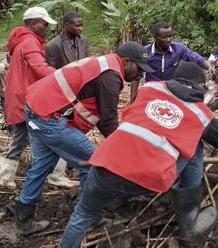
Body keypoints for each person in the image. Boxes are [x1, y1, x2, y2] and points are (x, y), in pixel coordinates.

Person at [60, 62, 218, 248]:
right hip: (148, 180)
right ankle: (188, 224)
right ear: (201, 86)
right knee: (195, 147)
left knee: (83, 214)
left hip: (105, 165)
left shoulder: (150, 88)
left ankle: (110, 201)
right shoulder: (201, 114)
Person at [13, 41, 154, 235]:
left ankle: (24, 216)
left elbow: (95, 111)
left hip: (37, 108)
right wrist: (126, 151)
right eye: (138, 68)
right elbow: (107, 121)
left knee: (41, 166)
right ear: (127, 61)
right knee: (92, 163)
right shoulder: (111, 76)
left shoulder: (105, 63)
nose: (139, 74)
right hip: (48, 117)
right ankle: (90, 216)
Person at [0, 6, 57, 187]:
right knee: (44, 135)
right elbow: (39, 68)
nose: (46, 28)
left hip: (19, 95)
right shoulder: (30, 42)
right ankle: (43, 175)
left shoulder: (21, 41)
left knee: (23, 137)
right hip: (27, 98)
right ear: (31, 23)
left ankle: (6, 177)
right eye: (43, 24)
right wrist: (62, 77)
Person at [45, 11, 90, 188]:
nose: (81, 28)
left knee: (78, 126)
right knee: (62, 129)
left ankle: (73, 163)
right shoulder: (53, 46)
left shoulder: (84, 41)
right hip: (62, 94)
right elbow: (50, 75)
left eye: (81, 25)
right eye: (77, 25)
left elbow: (88, 65)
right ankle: (57, 172)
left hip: (80, 92)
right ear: (66, 25)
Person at [130, 22, 211, 102]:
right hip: (152, 89)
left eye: (170, 36)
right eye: (164, 37)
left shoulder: (179, 49)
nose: (168, 40)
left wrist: (209, 67)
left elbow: (196, 59)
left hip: (173, 90)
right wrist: (133, 99)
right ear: (155, 37)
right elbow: (136, 76)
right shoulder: (145, 52)